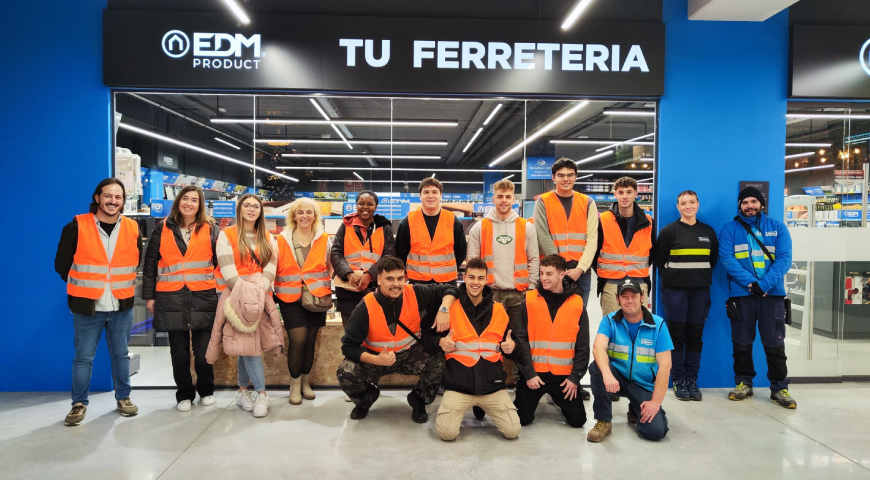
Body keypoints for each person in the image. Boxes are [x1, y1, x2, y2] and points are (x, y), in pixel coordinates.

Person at [55, 178, 142, 426]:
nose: (113, 201)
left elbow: (134, 261)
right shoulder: (76, 226)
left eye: (118, 197)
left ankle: (124, 398)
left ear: (123, 201)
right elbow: (61, 265)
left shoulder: (133, 228)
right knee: (83, 358)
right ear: (97, 198)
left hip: (121, 304)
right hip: (87, 306)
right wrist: (86, 284)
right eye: (108, 196)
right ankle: (79, 404)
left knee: (121, 355)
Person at [337, 256, 457, 423]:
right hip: (377, 357)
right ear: (379, 279)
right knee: (346, 371)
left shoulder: (415, 293)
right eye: (390, 279)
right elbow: (348, 347)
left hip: (410, 353)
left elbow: (449, 289)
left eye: (400, 278)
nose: (396, 284)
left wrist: (444, 309)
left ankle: (418, 399)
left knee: (438, 362)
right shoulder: (365, 307)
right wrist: (376, 359)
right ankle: (366, 400)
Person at [142, 185, 221, 412]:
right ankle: (184, 394)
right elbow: (150, 264)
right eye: (185, 199)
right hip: (171, 296)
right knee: (179, 352)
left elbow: (220, 261)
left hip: (203, 296)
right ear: (178, 202)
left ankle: (206, 391)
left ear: (200, 204)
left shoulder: (210, 228)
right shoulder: (163, 228)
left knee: (204, 350)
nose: (189, 203)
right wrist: (149, 296)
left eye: (194, 200)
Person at [206, 194, 282, 418]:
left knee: (244, 343)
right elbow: (227, 267)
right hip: (235, 297)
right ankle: (262, 394)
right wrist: (246, 292)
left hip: (260, 296)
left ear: (260, 211)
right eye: (247, 206)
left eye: (255, 206)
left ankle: (242, 390)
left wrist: (259, 290)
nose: (251, 210)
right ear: (240, 209)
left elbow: (272, 265)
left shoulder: (267, 236)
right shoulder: (227, 235)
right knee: (249, 344)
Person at [718, 187, 795, 408]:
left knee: (775, 344)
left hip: (773, 296)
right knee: (741, 343)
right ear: (740, 206)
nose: (749, 206)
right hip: (742, 296)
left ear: (761, 204)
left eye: (754, 201)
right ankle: (744, 383)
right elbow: (727, 259)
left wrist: (764, 285)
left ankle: (780, 387)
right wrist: (753, 285)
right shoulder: (729, 230)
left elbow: (784, 259)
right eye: (745, 202)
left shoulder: (777, 227)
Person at [435, 258, 521, 441]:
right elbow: (428, 338)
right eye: (471, 277)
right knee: (447, 434)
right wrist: (440, 342)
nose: (475, 282)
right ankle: (470, 406)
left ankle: (481, 405)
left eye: (480, 278)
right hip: (459, 385)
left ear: (486, 280)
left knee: (513, 431)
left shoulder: (499, 310)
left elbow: (513, 345)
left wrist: (512, 347)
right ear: (464, 278)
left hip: (492, 386)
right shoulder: (449, 308)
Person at [587, 279, 672, 443]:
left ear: (642, 298)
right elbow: (598, 348)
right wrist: (607, 374)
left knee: (655, 432)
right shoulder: (609, 321)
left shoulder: (658, 325)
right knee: (597, 367)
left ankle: (636, 408)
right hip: (616, 379)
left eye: (634, 295)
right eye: (624, 296)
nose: (629, 300)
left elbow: (665, 366)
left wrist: (655, 402)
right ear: (618, 300)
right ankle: (604, 421)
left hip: (642, 384)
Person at [653, 190, 718, 401]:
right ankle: (679, 379)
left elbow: (713, 260)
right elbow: (659, 260)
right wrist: (676, 279)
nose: (687, 206)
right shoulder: (669, 231)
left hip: (700, 292)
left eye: (691, 202)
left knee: (695, 336)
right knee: (677, 336)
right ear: (677, 207)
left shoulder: (708, 232)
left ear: (698, 204)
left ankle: (692, 379)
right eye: (683, 203)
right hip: (674, 293)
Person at [513, 254, 589, 429]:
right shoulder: (530, 300)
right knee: (522, 419)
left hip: (563, 378)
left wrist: (575, 377)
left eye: (549, 274)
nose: (543, 278)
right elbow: (521, 340)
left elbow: (582, 344)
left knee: (578, 422)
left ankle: (558, 399)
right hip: (535, 375)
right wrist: (528, 373)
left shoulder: (577, 303)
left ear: (562, 275)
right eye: (541, 273)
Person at [274, 197, 333, 405]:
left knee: (310, 342)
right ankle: (294, 384)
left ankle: (306, 382)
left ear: (315, 216)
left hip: (317, 298)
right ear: (294, 216)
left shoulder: (324, 238)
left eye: (309, 212)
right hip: (289, 298)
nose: (305, 216)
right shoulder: (281, 239)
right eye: (300, 212)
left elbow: (329, 266)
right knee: (297, 341)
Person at [534, 157, 598, 306]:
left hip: (581, 273)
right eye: (561, 175)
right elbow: (543, 236)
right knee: (551, 316)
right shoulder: (543, 201)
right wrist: (559, 269)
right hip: (552, 271)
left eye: (570, 175)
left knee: (578, 318)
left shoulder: (587, 202)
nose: (566, 179)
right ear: (553, 178)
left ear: (575, 177)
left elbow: (592, 238)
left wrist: (580, 269)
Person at [331, 190, 395, 328]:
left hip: (375, 289)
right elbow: (336, 253)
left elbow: (389, 256)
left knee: (375, 333)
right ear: (356, 205)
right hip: (348, 289)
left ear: (375, 207)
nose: (365, 207)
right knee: (350, 334)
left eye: (369, 204)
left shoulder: (384, 228)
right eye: (361, 203)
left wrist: (370, 274)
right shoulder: (345, 226)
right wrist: (349, 274)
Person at [594, 176, 656, 316]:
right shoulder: (603, 220)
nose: (625, 196)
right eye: (621, 192)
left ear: (636, 194)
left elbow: (653, 253)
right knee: (613, 327)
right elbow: (594, 251)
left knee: (639, 327)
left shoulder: (648, 222)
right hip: (610, 283)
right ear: (615, 194)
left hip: (639, 281)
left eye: (629, 192)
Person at [395, 177, 467, 285]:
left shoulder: (453, 221)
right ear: (420, 196)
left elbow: (461, 250)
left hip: (446, 282)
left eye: (434, 192)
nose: (430, 196)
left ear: (441, 196)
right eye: (426, 192)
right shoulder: (408, 222)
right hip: (418, 282)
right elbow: (400, 252)